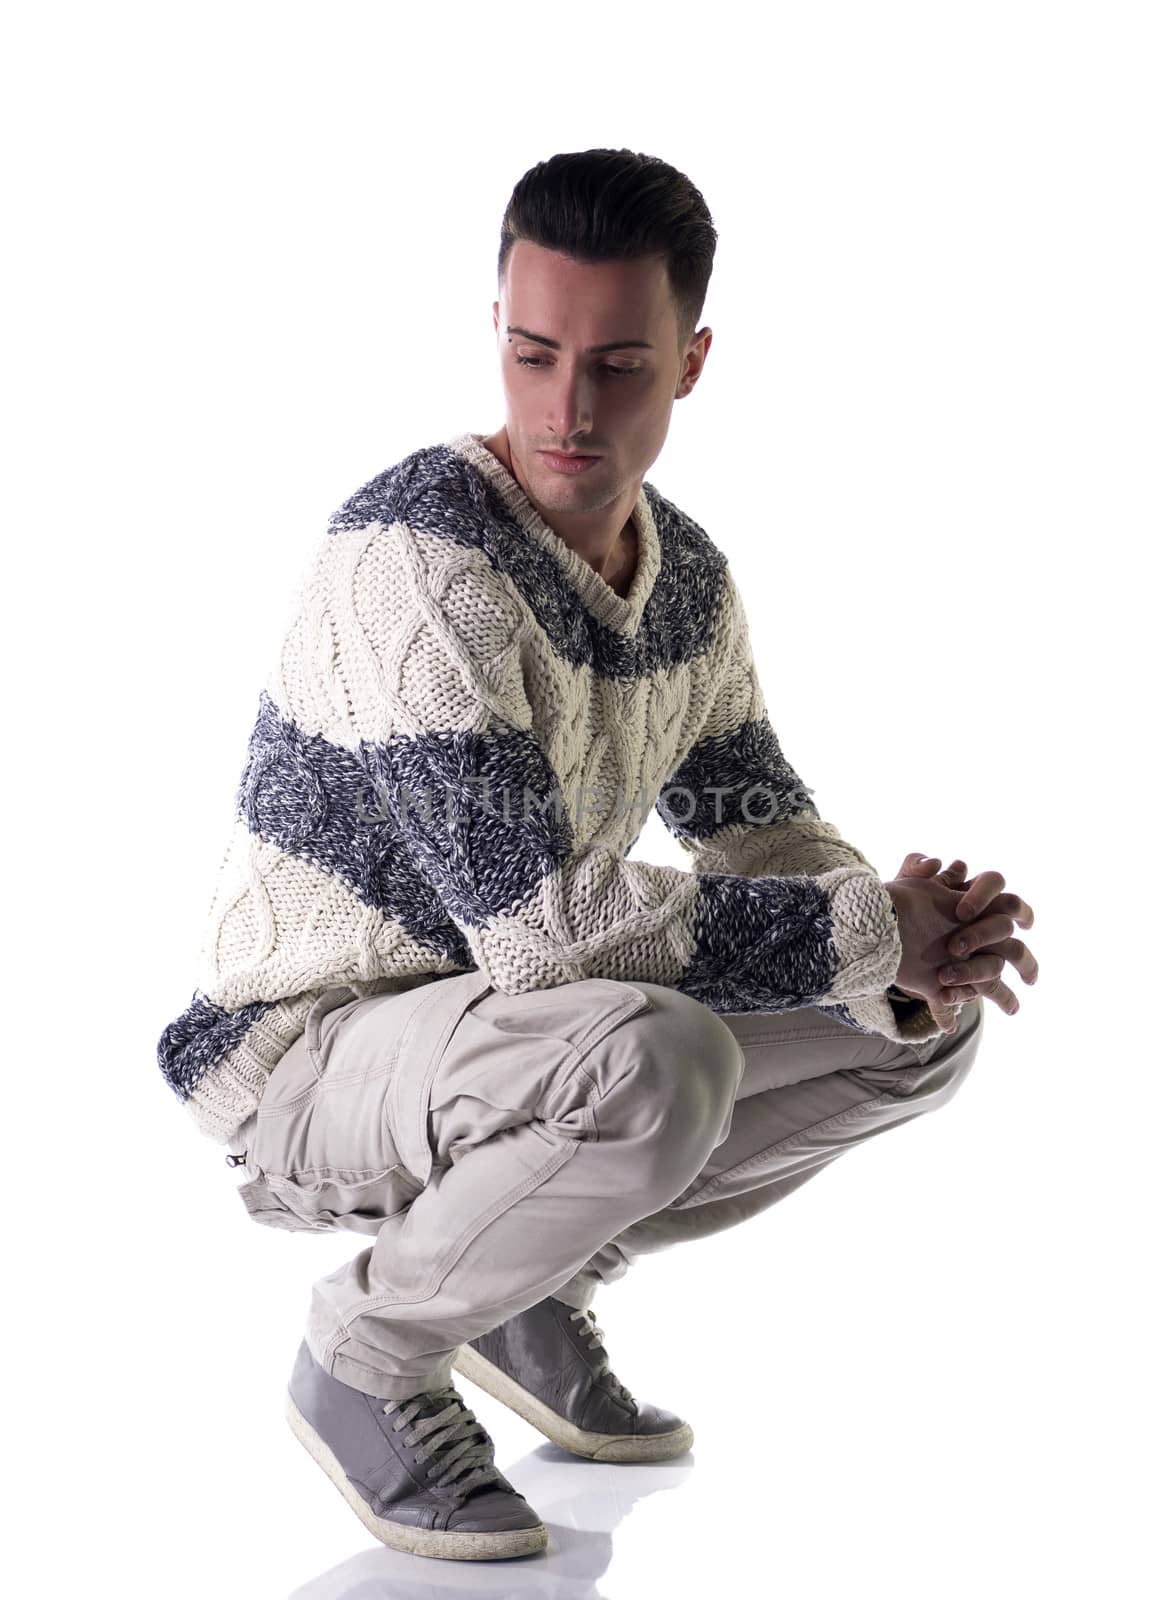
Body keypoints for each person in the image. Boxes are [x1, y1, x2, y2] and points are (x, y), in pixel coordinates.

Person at [157, 147, 1038, 1564]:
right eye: (533, 353)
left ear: (689, 363)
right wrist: (859, 930)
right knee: (651, 1054)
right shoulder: (418, 558)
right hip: (317, 1051)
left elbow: (758, 822)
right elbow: (540, 931)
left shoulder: (682, 579)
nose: (569, 407)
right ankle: (370, 1353)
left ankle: (518, 1276)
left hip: (511, 1040)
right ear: (497, 337)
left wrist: (911, 939)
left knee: (911, 1036)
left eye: (618, 364)